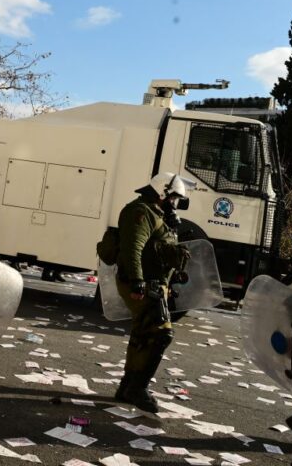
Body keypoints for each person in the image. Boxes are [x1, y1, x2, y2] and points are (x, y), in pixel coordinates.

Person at [113, 171, 194, 413]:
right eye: (173, 198)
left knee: (142, 334)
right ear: (162, 193)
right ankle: (138, 388)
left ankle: (127, 387)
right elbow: (133, 248)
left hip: (155, 282)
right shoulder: (141, 212)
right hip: (142, 282)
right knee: (161, 334)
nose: (175, 204)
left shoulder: (157, 213)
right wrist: (138, 281)